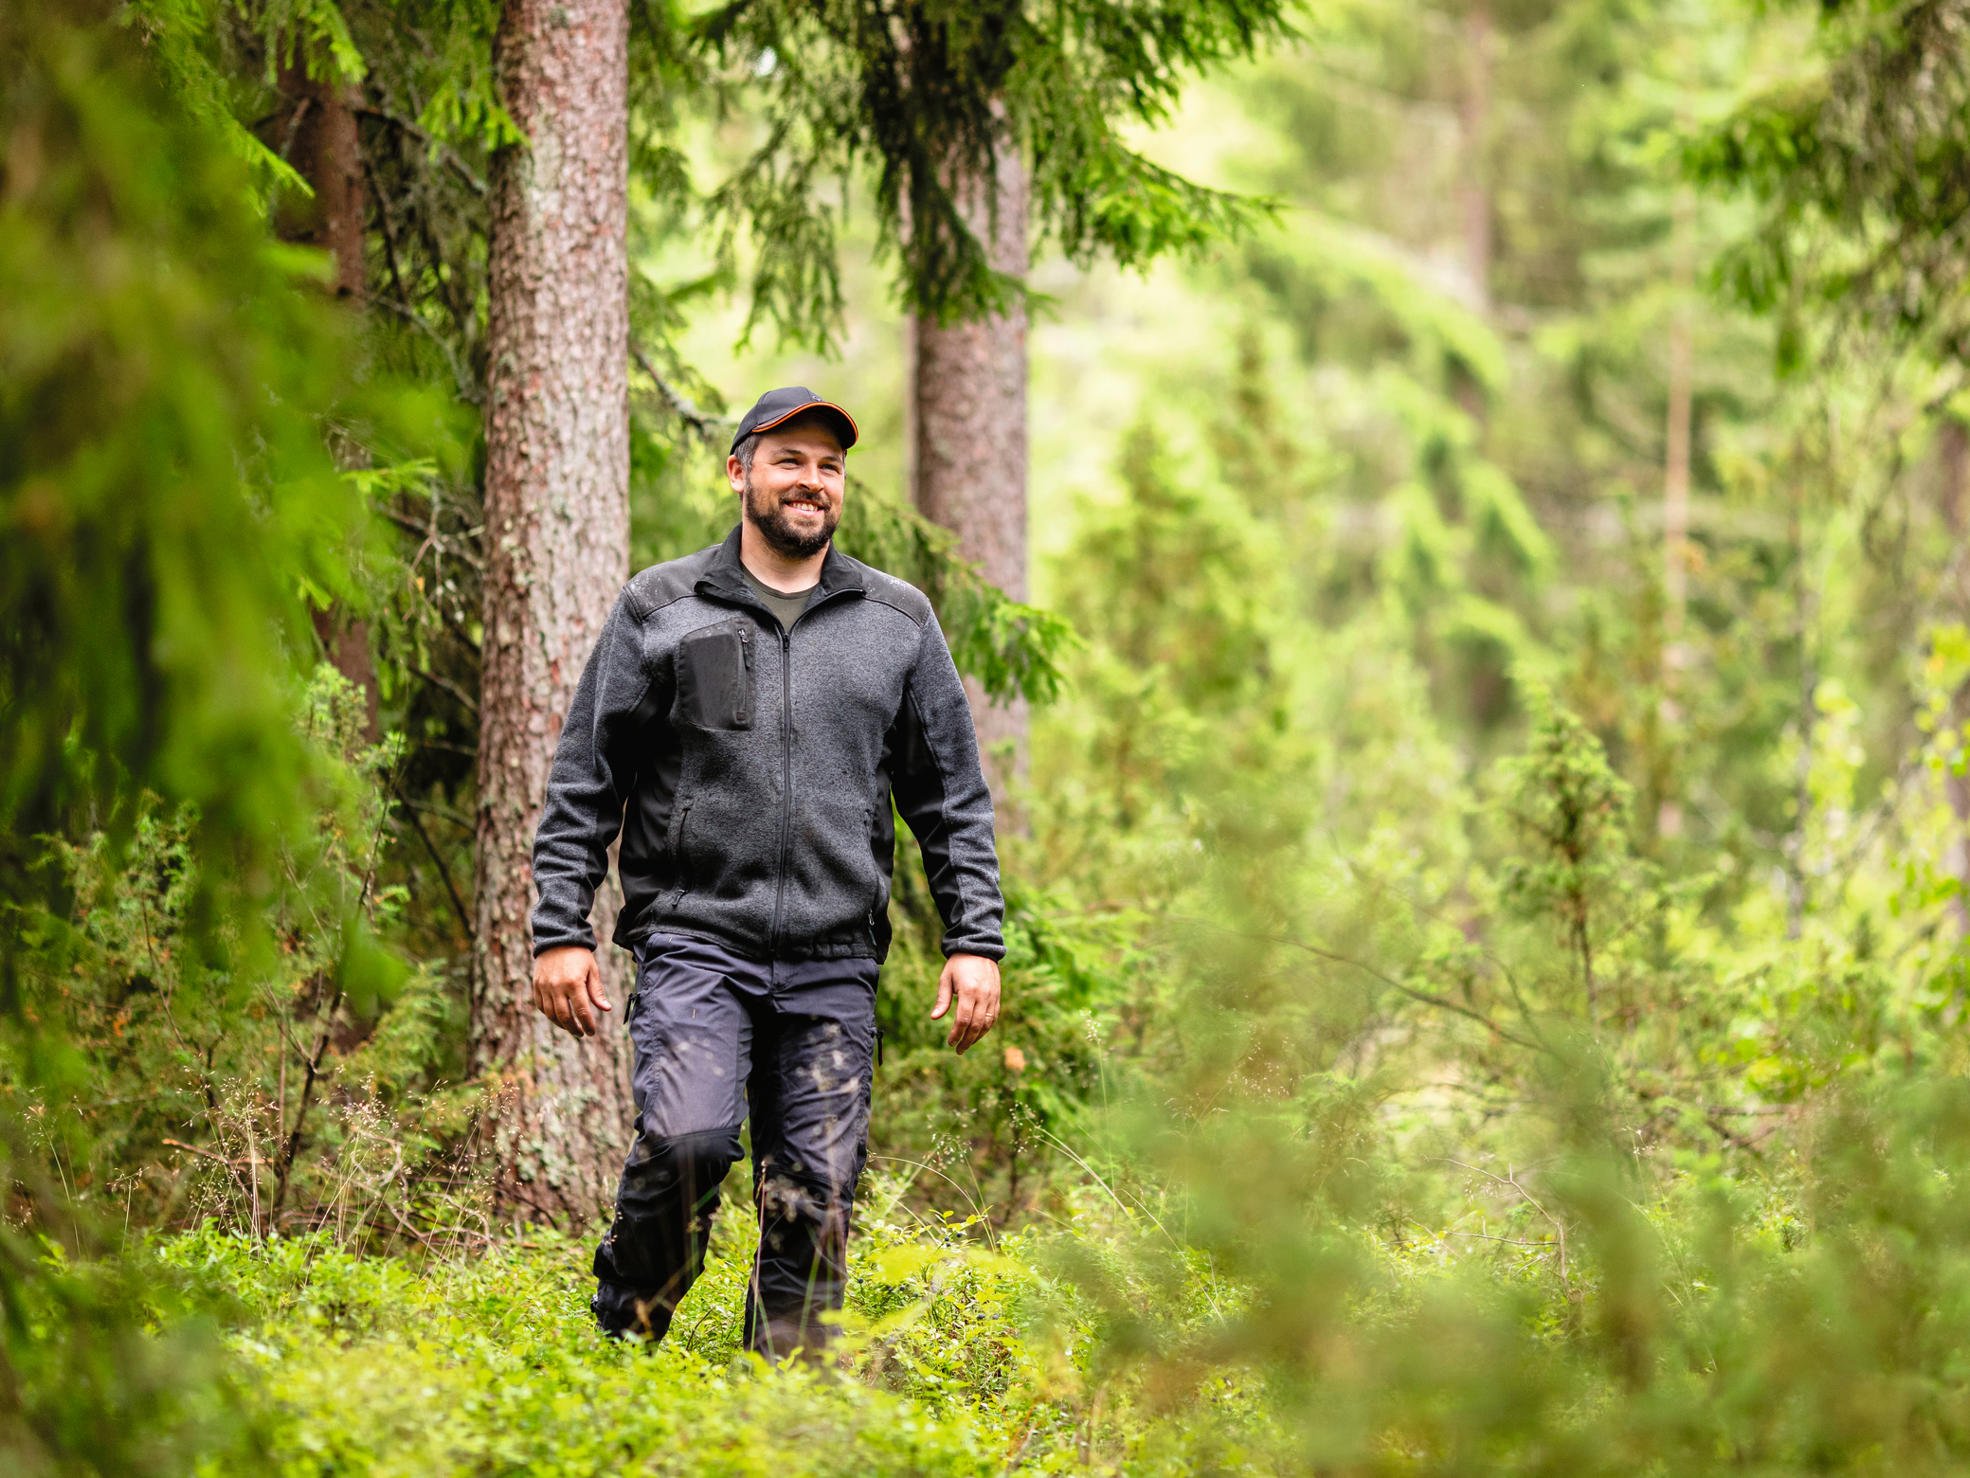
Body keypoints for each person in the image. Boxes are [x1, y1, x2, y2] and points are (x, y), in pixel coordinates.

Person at [527, 386, 1005, 1357]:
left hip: (832, 956)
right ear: (739, 470)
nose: (811, 480)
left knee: (814, 1189)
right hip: (695, 937)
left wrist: (973, 940)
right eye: (789, 458)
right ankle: (627, 1328)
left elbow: (949, 797)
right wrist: (560, 926)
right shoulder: (662, 607)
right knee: (689, 1139)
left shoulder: (896, 622)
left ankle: (780, 1395)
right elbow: (586, 776)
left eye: (829, 465)